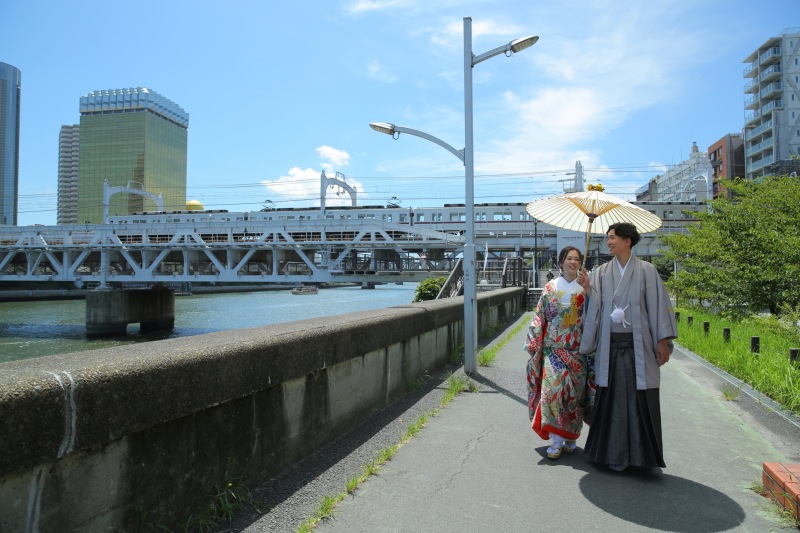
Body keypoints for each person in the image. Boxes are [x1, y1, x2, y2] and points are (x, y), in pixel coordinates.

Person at [577, 222, 677, 471]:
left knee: (639, 401)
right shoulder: (601, 272)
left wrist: (662, 340)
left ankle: (642, 458)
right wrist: (588, 288)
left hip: (638, 347)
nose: (608, 242)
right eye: (607, 238)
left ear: (627, 241)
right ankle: (614, 456)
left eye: (612, 238)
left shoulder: (647, 271)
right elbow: (597, 307)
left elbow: (657, 307)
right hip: (611, 346)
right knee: (613, 401)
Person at [525, 246, 595, 459]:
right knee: (553, 392)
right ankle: (556, 441)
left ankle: (571, 436)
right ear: (561, 262)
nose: (573, 262)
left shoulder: (586, 286)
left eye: (577, 259)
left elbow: (595, 314)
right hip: (554, 350)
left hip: (578, 351)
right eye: (569, 258)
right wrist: (534, 340)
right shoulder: (550, 287)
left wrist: (589, 290)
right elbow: (540, 316)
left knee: (574, 397)